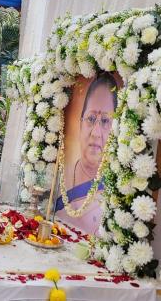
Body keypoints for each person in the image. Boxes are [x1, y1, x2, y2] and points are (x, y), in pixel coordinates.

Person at [56, 72, 117, 234]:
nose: (96, 133)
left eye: (105, 121)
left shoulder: (114, 197)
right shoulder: (62, 175)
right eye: (91, 119)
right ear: (81, 124)